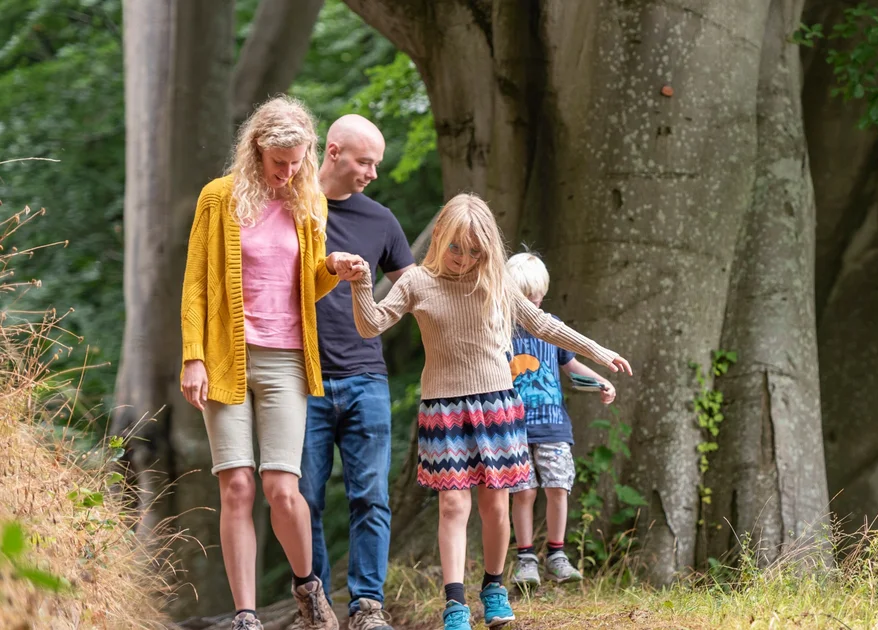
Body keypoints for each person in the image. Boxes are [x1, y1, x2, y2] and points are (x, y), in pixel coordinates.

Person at [334, 193, 632, 629]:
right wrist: (361, 283)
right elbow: (370, 325)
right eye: (456, 247)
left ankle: (493, 587)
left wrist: (598, 351)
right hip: (443, 409)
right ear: (440, 237)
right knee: (453, 504)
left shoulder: (495, 282)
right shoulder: (417, 281)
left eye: (475, 251)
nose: (463, 258)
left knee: (495, 504)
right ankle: (455, 603)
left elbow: (543, 324)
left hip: (498, 405)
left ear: (487, 250)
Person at [179, 95, 347, 630]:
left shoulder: (309, 201)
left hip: (287, 362)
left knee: (281, 488)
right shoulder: (219, 198)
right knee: (238, 487)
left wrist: (334, 268)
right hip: (227, 359)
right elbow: (196, 287)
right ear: (256, 151)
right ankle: (247, 614)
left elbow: (309, 286)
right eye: (280, 163)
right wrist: (194, 357)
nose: (289, 172)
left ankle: (307, 588)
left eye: (298, 162)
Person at [298, 114, 414, 630]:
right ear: (334, 151)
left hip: (366, 377)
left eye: (376, 164)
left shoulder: (381, 221)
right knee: (304, 499)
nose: (371, 172)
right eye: (365, 162)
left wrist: (380, 308)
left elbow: (415, 290)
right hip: (301, 378)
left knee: (371, 496)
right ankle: (317, 608)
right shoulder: (293, 210)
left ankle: (368, 607)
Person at [504, 252, 616, 588]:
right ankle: (525, 558)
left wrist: (600, 380)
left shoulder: (551, 327)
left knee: (558, 487)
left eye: (537, 296)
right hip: (513, 427)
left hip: (553, 424)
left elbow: (570, 366)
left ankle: (557, 553)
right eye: (525, 296)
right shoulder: (501, 330)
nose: (532, 303)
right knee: (523, 492)